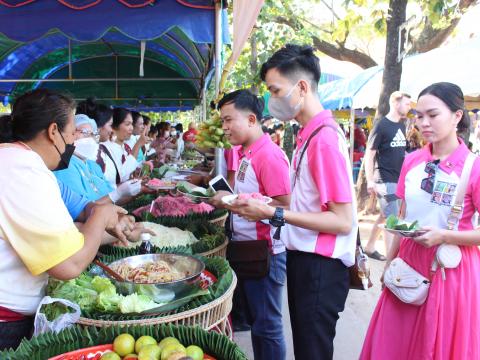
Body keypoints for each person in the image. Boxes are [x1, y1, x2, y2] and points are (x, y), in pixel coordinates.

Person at [230, 44, 357, 359]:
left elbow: (342, 221)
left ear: (302, 87)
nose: (272, 100)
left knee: (312, 351)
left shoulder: (324, 139)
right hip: (304, 259)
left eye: (276, 90)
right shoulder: (307, 135)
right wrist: (265, 206)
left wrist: (273, 211)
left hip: (320, 266)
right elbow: (306, 206)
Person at [361, 82, 480, 359]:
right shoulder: (412, 161)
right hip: (408, 264)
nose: (424, 123)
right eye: (419, 115)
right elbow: (402, 219)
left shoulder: (473, 168)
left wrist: (445, 236)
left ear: (457, 116)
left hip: (450, 270)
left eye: (433, 115)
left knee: (436, 347)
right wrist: (390, 262)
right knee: (392, 344)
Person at [0, 89, 127, 350]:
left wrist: (103, 214)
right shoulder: (22, 170)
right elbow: (68, 265)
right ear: (53, 131)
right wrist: (102, 217)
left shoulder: (16, 159)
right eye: (73, 133)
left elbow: (79, 210)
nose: (74, 142)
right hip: (5, 321)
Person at [210, 90, 291, 360]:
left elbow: (285, 206)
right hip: (249, 250)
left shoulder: (269, 155)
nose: (224, 127)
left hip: (265, 252)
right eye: (222, 121)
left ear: (252, 119)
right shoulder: (247, 153)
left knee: (267, 326)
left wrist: (231, 202)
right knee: (259, 324)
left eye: (229, 120)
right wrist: (229, 200)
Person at [364, 91, 412, 261]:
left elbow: (399, 151)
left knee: (386, 214)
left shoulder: (401, 125)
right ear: (395, 103)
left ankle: (369, 247)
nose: (409, 106)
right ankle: (393, 259)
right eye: (406, 103)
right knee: (392, 219)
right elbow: (369, 155)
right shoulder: (381, 125)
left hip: (398, 179)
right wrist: (370, 180)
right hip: (384, 179)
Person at [55, 114, 141, 204]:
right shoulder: (65, 166)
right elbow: (83, 211)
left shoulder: (93, 165)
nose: (90, 138)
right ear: (71, 134)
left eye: (93, 134)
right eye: (84, 132)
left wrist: (136, 188)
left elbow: (111, 196)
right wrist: (118, 193)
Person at [97, 108, 147, 188]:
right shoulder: (104, 149)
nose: (131, 128)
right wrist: (138, 144)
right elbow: (121, 176)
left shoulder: (126, 147)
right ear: (114, 126)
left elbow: (128, 175)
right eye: (127, 124)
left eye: (131, 124)